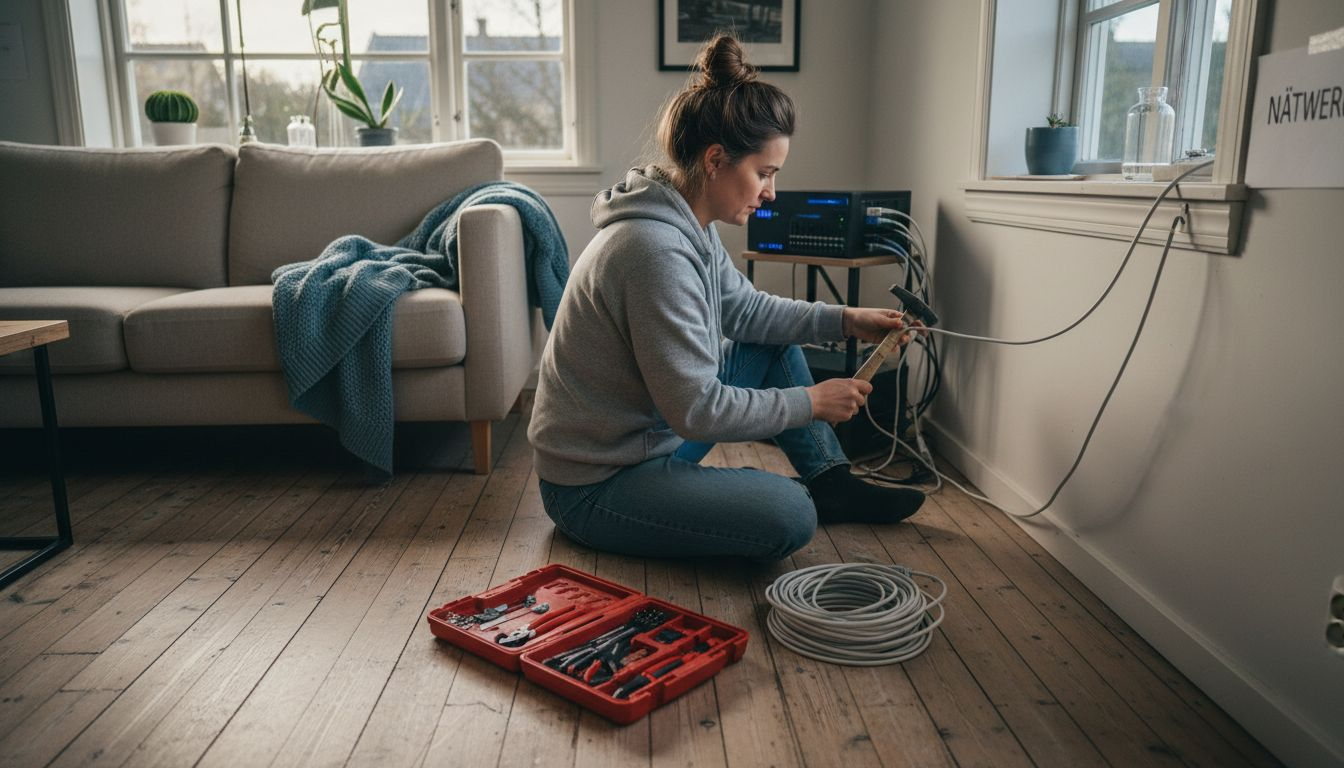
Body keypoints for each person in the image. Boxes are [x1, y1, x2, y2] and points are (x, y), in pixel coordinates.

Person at [527, 34, 924, 561]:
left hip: (646, 438)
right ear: (716, 160)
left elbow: (747, 312)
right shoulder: (654, 250)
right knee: (788, 514)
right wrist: (811, 403)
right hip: (595, 483)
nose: (771, 192)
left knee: (772, 342)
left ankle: (830, 482)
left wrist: (847, 319)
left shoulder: (686, 221)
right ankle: (798, 496)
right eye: (764, 173)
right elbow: (697, 410)